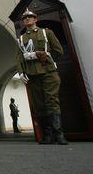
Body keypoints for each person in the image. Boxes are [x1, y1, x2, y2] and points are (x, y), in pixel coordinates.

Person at [17, 8, 68, 145]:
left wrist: (47, 58)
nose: (26, 19)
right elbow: (19, 57)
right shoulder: (21, 38)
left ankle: (59, 134)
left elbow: (58, 50)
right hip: (32, 74)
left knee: (52, 101)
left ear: (35, 19)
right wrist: (21, 72)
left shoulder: (46, 33)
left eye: (29, 17)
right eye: (24, 18)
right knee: (39, 105)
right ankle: (48, 136)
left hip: (48, 72)